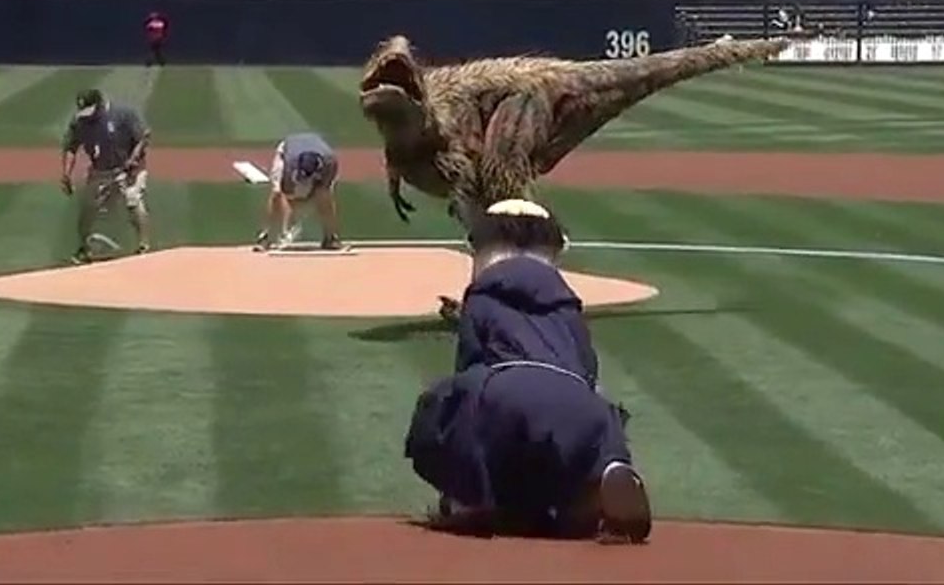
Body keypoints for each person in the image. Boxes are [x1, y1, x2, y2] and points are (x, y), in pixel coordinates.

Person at [403, 199, 651, 543]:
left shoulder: (482, 298)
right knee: (596, 416)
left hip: (507, 388)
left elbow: (472, 362)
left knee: (447, 401)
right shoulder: (567, 304)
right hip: (578, 401)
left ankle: (471, 499)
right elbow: (587, 369)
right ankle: (603, 477)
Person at [59, 89, 152, 264]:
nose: (86, 115)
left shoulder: (123, 114)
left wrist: (133, 160)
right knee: (87, 210)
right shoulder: (80, 121)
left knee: (133, 200)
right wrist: (66, 174)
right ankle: (84, 249)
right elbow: (71, 147)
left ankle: (143, 246)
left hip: (130, 168)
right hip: (100, 170)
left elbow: (143, 137)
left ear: (100, 105)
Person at [255, 132, 345, 251]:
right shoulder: (289, 165)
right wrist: (288, 224)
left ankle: (331, 237)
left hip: (316, 150)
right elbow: (285, 195)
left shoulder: (330, 164)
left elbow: (321, 191)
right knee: (276, 193)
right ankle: (266, 237)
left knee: (324, 196)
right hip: (288, 149)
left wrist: (306, 202)